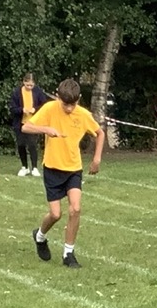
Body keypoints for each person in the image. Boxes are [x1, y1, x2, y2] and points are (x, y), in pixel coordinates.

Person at [24, 79, 104, 268]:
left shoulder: (83, 114)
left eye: (72, 104)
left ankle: (68, 253)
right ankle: (40, 236)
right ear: (58, 97)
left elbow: (100, 133)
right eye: (65, 104)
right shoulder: (50, 108)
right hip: (52, 168)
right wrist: (45, 129)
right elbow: (25, 127)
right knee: (55, 214)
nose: (68, 108)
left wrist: (97, 158)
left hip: (73, 169)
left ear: (79, 99)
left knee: (75, 209)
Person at [10, 73, 50, 176]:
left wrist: (34, 109)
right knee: (21, 145)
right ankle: (24, 167)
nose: (29, 87)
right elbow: (12, 108)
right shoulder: (17, 92)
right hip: (20, 123)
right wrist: (22, 110)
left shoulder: (38, 92)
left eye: (31, 85)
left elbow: (44, 105)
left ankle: (34, 167)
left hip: (33, 123)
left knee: (32, 145)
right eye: (27, 85)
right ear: (23, 82)